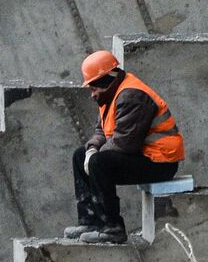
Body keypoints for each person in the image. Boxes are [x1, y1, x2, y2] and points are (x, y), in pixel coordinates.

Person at [65, 51, 184, 244]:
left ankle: (112, 228)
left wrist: (94, 157)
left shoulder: (131, 96)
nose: (92, 94)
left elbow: (125, 143)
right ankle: (91, 221)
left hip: (160, 162)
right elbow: (101, 131)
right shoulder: (109, 96)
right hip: (142, 155)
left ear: (106, 81)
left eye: (94, 88)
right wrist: (91, 150)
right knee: (80, 156)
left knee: (99, 163)